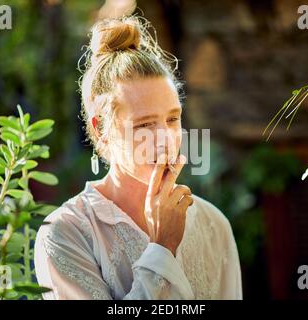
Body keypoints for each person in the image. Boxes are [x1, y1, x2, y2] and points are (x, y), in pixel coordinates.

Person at [34, 15, 242, 300]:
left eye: (172, 119)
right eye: (144, 124)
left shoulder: (213, 224)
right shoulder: (65, 233)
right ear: (100, 129)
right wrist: (161, 248)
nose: (166, 138)